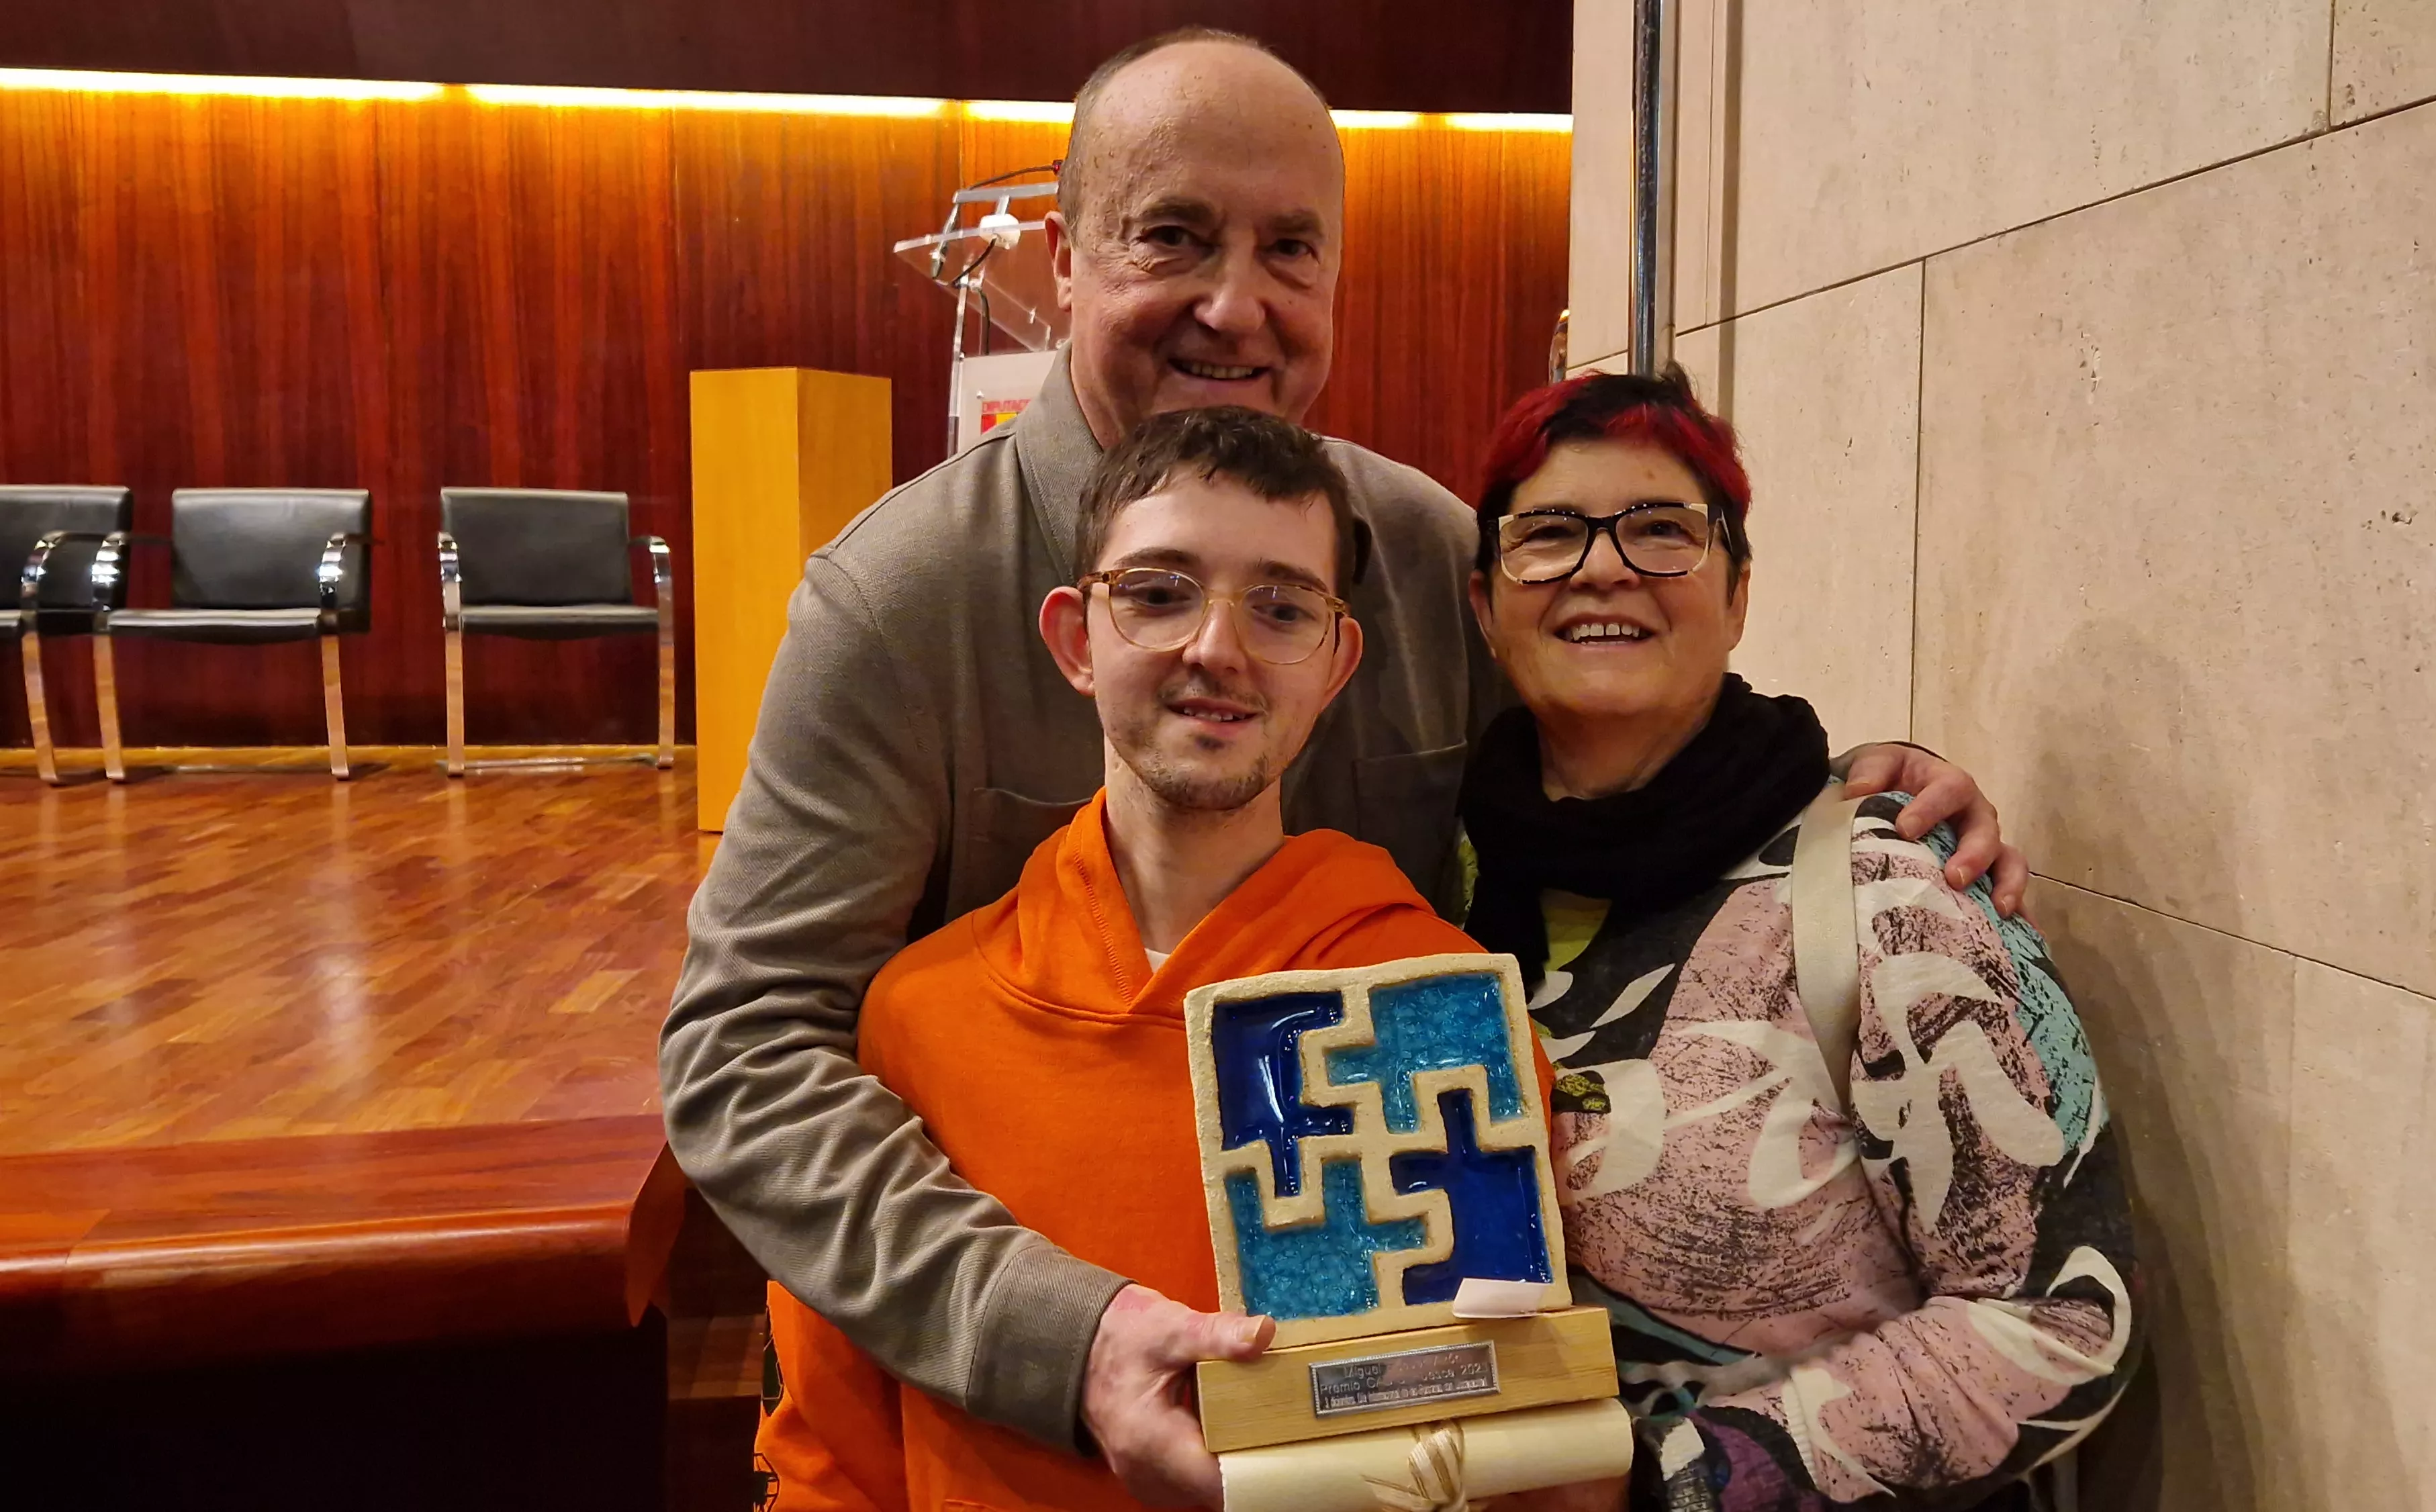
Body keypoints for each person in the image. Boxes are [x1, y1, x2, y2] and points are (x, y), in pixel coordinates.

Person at [663, 26, 2030, 1502]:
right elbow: (744, 1054)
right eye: (1172, 237)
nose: (1234, 305)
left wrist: (1819, 786)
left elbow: (1611, 760)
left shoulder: (1425, 547)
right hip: (1015, 1405)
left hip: (1398, 1386)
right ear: (1062, 258)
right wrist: (1066, 1336)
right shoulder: (898, 601)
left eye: (1290, 251)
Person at [757, 406, 1492, 1510]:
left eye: (1282, 605)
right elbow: (834, 1459)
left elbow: (1456, 1437)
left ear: (1337, 663)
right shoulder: (920, 1019)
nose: (1216, 648)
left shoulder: (1427, 1006)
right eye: (1158, 593)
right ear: (1073, 639)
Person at [1457, 372, 2139, 1511]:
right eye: (1550, 535)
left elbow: (2058, 1319)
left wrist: (1656, 1488)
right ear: (1485, 603)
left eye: (1662, 531)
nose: (1604, 567)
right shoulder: (1439, 885)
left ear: (1737, 594)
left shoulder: (1889, 887)